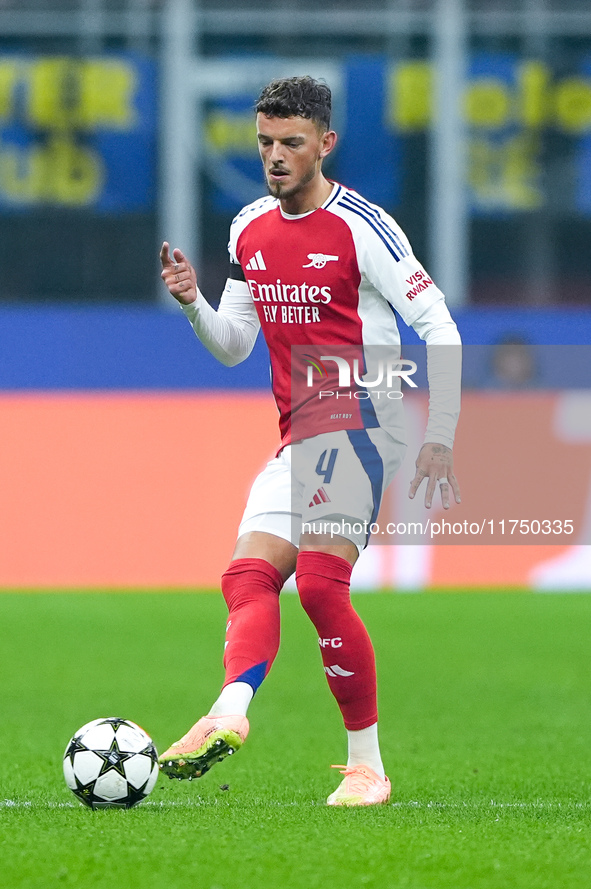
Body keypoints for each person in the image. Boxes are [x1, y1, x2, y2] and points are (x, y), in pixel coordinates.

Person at [158, 76, 461, 806]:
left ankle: (367, 767)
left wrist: (440, 434)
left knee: (321, 587)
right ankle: (227, 712)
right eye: (264, 142)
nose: (274, 155)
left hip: (364, 415)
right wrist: (193, 301)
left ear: (325, 143)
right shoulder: (248, 228)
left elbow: (439, 326)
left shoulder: (364, 227)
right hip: (301, 431)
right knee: (247, 576)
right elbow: (234, 345)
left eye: (291, 142)